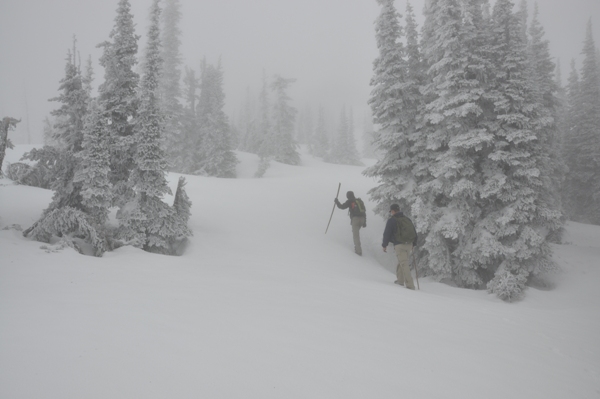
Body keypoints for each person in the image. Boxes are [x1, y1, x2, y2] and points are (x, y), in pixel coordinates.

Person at [382, 204, 417, 289]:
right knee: (402, 261)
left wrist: (384, 245)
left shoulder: (392, 220)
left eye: (391, 211)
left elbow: (386, 233)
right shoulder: (407, 219)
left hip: (399, 244)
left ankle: (410, 285)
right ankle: (400, 280)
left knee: (404, 264)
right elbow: (414, 231)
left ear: (393, 211)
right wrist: (414, 243)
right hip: (408, 244)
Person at [334, 191, 367, 256]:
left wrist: (336, 202)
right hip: (362, 219)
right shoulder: (359, 201)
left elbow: (342, 207)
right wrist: (365, 222)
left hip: (355, 219)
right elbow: (364, 211)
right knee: (356, 234)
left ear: (348, 196)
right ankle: (358, 248)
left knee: (356, 236)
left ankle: (358, 251)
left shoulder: (350, 201)